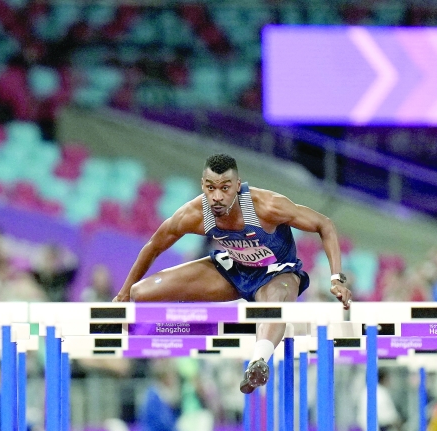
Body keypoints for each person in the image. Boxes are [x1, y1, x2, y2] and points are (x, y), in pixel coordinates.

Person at [114, 154, 351, 394]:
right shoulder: (195, 213)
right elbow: (154, 246)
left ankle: (258, 362)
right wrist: (123, 294)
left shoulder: (267, 206)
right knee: (140, 292)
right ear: (202, 186)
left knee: (274, 301)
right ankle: (163, 333)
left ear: (237, 187)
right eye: (210, 188)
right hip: (234, 269)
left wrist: (336, 278)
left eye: (225, 188)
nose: (217, 197)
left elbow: (325, 224)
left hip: (276, 273)